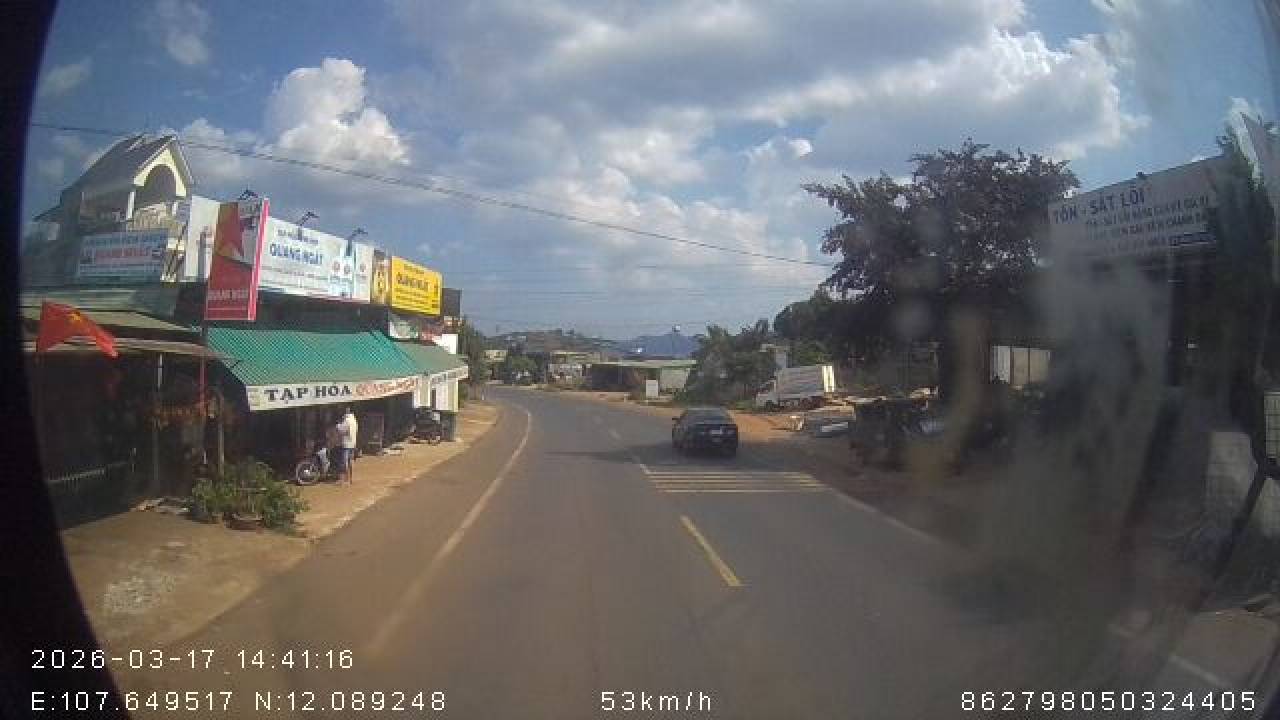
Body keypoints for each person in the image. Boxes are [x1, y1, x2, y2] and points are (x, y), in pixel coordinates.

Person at [337, 406, 359, 484]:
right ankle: (351, 478)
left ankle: (346, 478)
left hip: (346, 444)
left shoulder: (347, 420)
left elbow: (341, 430)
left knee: (345, 461)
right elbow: (356, 431)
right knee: (351, 461)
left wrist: (338, 425)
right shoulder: (354, 420)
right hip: (353, 443)